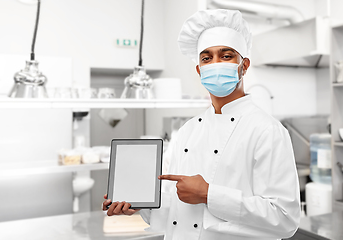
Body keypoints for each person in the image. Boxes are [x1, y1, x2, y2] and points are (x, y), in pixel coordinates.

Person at [103, 9, 300, 240]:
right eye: (207, 58)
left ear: (244, 65)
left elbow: (285, 218)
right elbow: (178, 210)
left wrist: (209, 194)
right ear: (199, 70)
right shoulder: (188, 131)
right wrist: (140, 205)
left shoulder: (267, 131)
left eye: (226, 56)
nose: (215, 63)